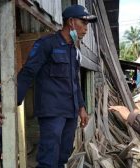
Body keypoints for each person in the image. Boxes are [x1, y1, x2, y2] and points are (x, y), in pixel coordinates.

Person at [17, 4, 96, 168]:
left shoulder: (73, 50)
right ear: (71, 22)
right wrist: (12, 100)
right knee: (48, 159)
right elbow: (28, 72)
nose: (86, 29)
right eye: (84, 23)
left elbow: (75, 81)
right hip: (52, 112)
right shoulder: (46, 44)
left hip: (70, 112)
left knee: (63, 156)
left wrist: (81, 107)